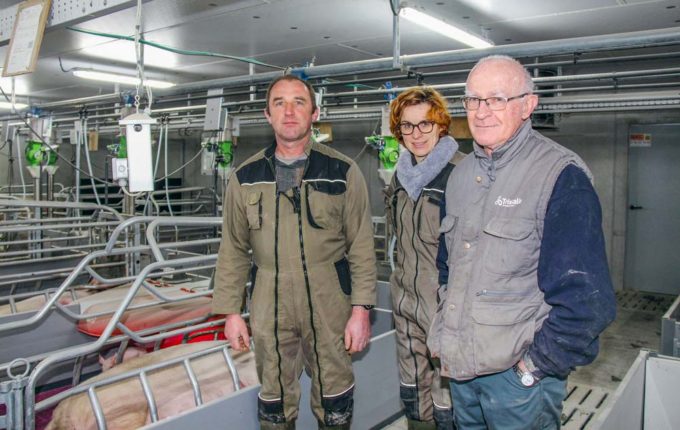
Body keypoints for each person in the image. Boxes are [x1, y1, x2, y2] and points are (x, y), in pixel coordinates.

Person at [428, 55, 617, 429]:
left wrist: (532, 368)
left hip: (519, 381)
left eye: (496, 99)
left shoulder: (561, 176)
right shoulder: (461, 176)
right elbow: (447, 266)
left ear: (528, 105)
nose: (481, 112)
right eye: (472, 99)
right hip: (462, 369)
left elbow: (587, 301)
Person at [212, 74, 377, 430]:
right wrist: (230, 313)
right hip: (269, 299)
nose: (289, 111)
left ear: (315, 113)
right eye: (279, 103)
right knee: (273, 397)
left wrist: (361, 310)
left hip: (329, 297)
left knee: (334, 394)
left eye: (299, 102)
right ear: (267, 114)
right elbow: (234, 248)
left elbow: (362, 246)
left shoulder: (343, 172)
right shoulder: (245, 176)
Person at [385, 87, 461, 430]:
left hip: (445, 307)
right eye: (407, 126)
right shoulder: (399, 180)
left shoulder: (461, 175)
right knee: (413, 389)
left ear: (441, 125)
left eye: (425, 124)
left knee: (446, 395)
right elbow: (396, 241)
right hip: (405, 303)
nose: (416, 134)